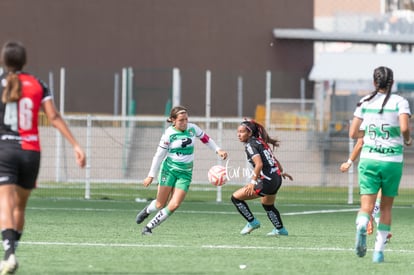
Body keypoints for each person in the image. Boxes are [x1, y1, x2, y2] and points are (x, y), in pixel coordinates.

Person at [0, 41, 86, 274]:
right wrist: (76, 145)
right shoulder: (39, 84)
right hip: (31, 153)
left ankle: (9, 255)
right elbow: (54, 116)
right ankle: (11, 254)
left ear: (4, 61)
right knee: (19, 207)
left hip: (5, 151)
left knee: (4, 204)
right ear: (24, 61)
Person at [349, 66, 411, 263]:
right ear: (392, 82)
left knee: (366, 207)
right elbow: (404, 127)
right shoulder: (400, 102)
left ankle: (361, 225)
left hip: (368, 159)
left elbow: (353, 133)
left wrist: (367, 135)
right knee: (386, 208)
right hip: (392, 161)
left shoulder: (365, 102)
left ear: (374, 82)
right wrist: (407, 139)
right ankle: (378, 252)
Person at [135, 105, 228, 235]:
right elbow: (159, 155)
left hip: (185, 173)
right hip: (169, 171)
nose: (184, 122)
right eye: (181, 120)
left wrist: (218, 150)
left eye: (186, 119)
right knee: (160, 204)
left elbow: (206, 139)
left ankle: (148, 227)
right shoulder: (168, 134)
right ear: (173, 120)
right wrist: (151, 175)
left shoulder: (192, 128)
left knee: (174, 204)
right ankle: (147, 211)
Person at [231, 119, 292, 236]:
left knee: (236, 198)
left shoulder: (250, 145)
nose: (238, 135)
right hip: (276, 178)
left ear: (249, 133)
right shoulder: (261, 142)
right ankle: (280, 230)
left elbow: (259, 164)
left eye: (242, 132)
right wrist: (281, 172)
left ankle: (252, 222)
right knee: (268, 205)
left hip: (267, 181)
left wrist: (252, 182)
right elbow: (274, 160)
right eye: (238, 132)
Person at [340, 138, 385, 237]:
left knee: (367, 202)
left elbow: (359, 141)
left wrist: (349, 162)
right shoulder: (391, 123)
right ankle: (378, 226)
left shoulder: (367, 123)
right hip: (385, 160)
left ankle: (365, 223)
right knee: (383, 190)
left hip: (367, 162)